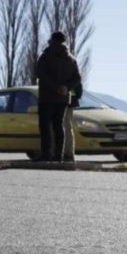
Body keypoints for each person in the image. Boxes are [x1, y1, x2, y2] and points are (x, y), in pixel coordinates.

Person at [35, 31, 81, 162]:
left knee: (45, 126)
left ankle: (46, 154)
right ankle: (58, 155)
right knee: (58, 126)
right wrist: (66, 87)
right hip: (63, 99)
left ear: (52, 40)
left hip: (47, 97)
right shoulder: (71, 59)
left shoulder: (46, 56)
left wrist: (55, 88)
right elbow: (77, 78)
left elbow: (41, 75)